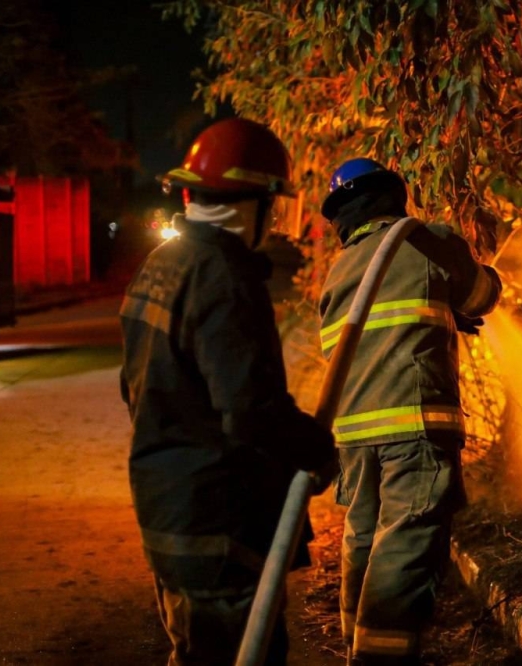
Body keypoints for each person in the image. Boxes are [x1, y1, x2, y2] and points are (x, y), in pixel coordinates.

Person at [119, 118, 337, 665]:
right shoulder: (224, 276)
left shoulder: (161, 265)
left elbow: (134, 387)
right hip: (219, 522)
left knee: (194, 653)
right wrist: (315, 448)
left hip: (168, 510)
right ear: (255, 202)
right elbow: (249, 410)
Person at [317, 158, 502, 665]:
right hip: (414, 426)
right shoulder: (425, 239)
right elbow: (483, 295)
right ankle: (383, 659)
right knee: (405, 542)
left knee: (362, 538)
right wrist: (460, 297)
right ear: (392, 196)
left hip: (353, 435)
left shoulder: (340, 269)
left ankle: (356, 642)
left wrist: (440, 310)